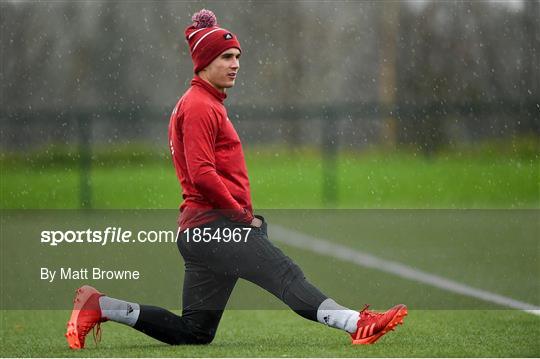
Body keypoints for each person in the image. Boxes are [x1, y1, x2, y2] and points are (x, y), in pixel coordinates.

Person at [65, 9, 407, 350]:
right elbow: (202, 175)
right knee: (286, 276)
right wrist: (242, 216)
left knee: (194, 331)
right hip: (216, 226)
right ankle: (356, 323)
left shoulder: (202, 102)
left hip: (200, 230)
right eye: (226, 56)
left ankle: (102, 306)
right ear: (204, 60)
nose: (235, 63)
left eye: (238, 56)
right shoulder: (200, 105)